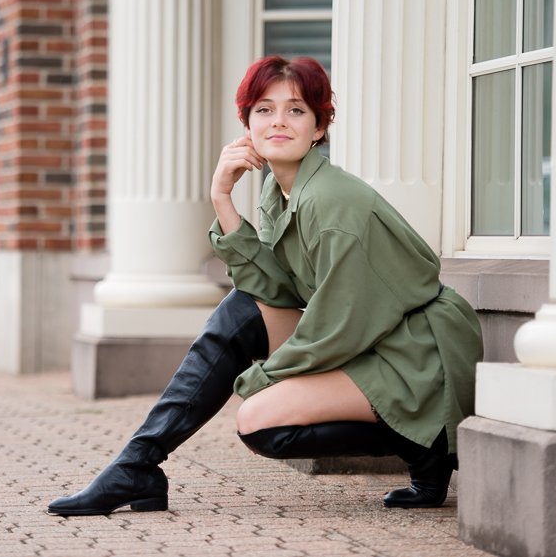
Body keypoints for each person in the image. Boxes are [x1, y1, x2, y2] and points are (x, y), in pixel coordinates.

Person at [48, 56, 483, 517]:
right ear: (247, 125)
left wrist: (262, 379)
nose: (278, 121)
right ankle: (137, 464)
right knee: (240, 311)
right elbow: (272, 289)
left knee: (260, 420)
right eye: (263, 109)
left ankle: (430, 446)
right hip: (374, 334)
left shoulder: (330, 202)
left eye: (295, 110)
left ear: (319, 128)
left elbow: (339, 326)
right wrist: (221, 197)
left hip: (415, 353)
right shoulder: (280, 191)